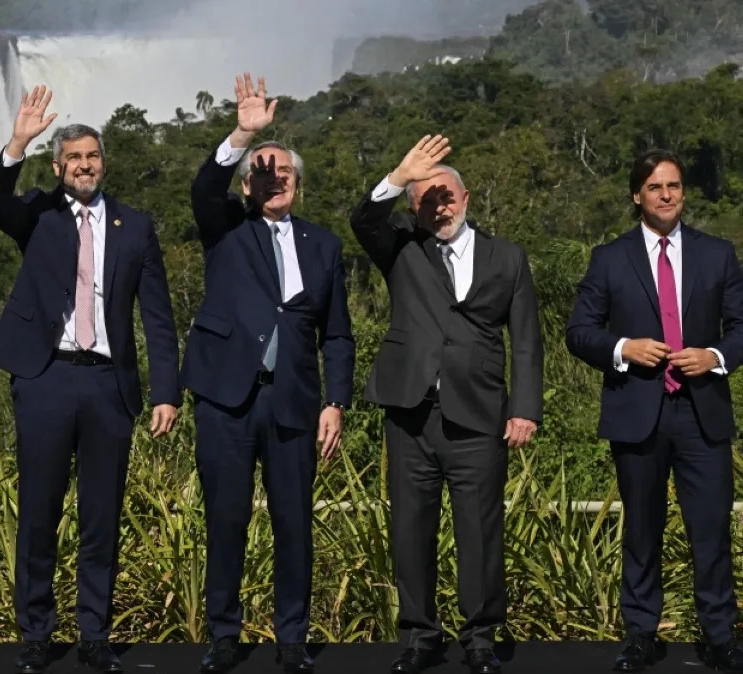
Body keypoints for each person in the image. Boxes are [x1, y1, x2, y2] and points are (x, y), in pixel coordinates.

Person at [0, 84, 181, 674]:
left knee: (102, 515)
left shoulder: (134, 226)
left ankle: (95, 633)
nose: (84, 166)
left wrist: (165, 390)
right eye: (73, 159)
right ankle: (35, 634)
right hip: (45, 378)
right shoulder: (36, 214)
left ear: (102, 163)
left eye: (92, 157)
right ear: (58, 166)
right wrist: (18, 139)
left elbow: (159, 317)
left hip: (107, 386)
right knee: (39, 511)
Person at [349, 135, 543, 674]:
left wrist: (524, 408)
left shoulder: (508, 257)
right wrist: (399, 174)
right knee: (411, 527)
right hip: (410, 414)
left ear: (466, 196)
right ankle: (419, 636)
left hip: (480, 416)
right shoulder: (403, 249)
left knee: (480, 531)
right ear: (414, 208)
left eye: (446, 195)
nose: (440, 205)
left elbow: (526, 340)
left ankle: (480, 637)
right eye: (427, 199)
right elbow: (363, 221)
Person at [182, 73, 355, 674]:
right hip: (227, 401)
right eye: (262, 172)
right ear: (249, 185)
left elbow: (337, 332)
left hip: (294, 403)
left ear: (298, 186)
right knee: (225, 519)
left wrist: (335, 401)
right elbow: (205, 189)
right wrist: (243, 135)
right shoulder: (228, 225)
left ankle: (291, 638)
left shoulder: (325, 247)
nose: (273, 179)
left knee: (293, 524)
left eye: (283, 173)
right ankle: (223, 636)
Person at [566, 150, 743, 673]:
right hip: (638, 411)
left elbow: (741, 329)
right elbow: (579, 332)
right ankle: (641, 635)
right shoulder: (609, 258)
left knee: (710, 531)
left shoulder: (719, 255)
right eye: (655, 187)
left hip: (702, 412)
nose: (667, 195)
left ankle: (719, 637)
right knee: (641, 530)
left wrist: (713, 356)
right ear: (636, 196)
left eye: (675, 185)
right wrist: (624, 348)